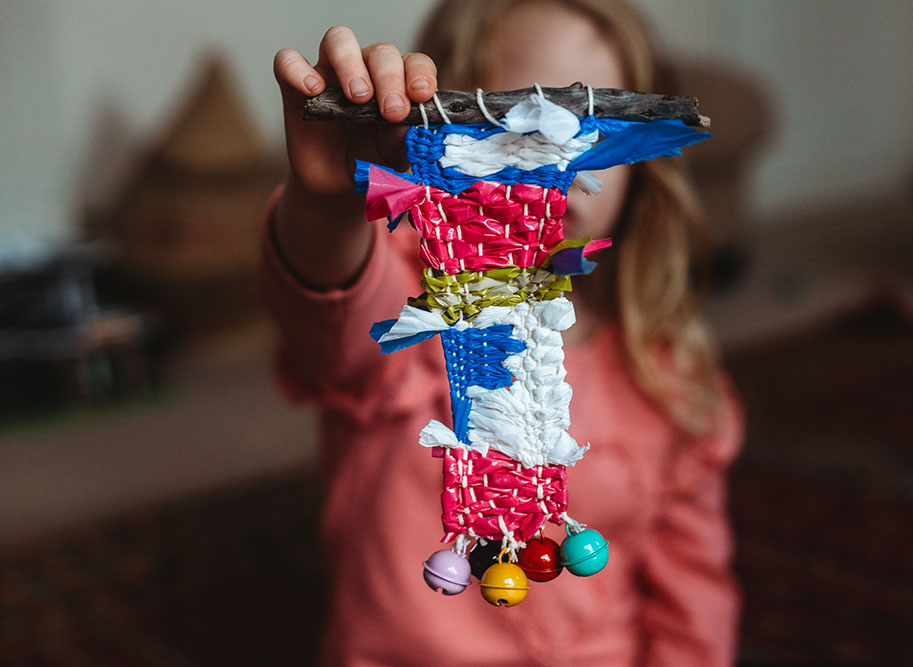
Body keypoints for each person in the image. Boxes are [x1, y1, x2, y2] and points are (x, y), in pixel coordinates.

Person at [261, 0, 743, 664]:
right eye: (523, 124)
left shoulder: (668, 372)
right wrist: (326, 201)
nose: (561, 158)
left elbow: (695, 605)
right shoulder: (404, 308)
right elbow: (325, 307)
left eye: (594, 127)